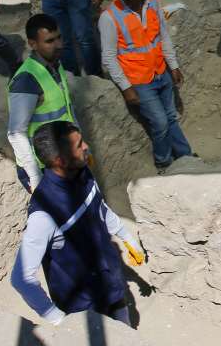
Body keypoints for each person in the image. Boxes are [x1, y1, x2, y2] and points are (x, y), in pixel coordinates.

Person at [10, 120, 144, 327]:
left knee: (126, 340)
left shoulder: (83, 173)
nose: (86, 146)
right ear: (60, 161)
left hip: (111, 285)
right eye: (79, 144)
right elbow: (21, 278)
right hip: (84, 309)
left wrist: (126, 237)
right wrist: (58, 320)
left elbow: (98, 206)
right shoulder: (44, 215)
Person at [100, 0, 193, 171]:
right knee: (160, 123)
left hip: (161, 72)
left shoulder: (153, 3)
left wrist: (174, 65)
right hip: (139, 81)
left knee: (170, 118)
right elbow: (108, 57)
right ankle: (164, 163)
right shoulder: (109, 18)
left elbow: (163, 37)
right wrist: (126, 87)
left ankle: (186, 157)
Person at [7, 14, 75, 193]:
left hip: (62, 155)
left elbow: (67, 109)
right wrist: (35, 176)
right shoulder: (26, 80)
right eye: (50, 41)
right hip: (43, 166)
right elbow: (15, 133)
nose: (58, 45)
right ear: (33, 44)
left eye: (59, 37)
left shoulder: (55, 64)